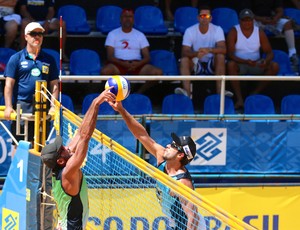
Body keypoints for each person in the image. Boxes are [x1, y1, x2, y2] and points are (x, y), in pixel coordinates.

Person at [109, 100, 202, 229]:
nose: (168, 145)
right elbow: (141, 135)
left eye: (174, 146)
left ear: (180, 155)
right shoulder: (162, 158)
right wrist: (121, 110)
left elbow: (193, 217)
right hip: (175, 222)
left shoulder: (182, 183)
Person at [41, 88, 115, 229]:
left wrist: (94, 102)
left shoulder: (61, 167)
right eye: (61, 149)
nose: (65, 147)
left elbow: (81, 132)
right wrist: (97, 103)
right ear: (60, 161)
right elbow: (86, 137)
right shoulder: (68, 171)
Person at [4, 22, 59, 155]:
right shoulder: (16, 58)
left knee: (40, 146)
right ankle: (19, 175)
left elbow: (54, 84)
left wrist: (53, 106)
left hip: (42, 106)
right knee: (19, 146)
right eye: (33, 34)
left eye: (40, 34)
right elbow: (8, 84)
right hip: (21, 106)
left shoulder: (49, 59)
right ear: (26, 37)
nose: (37, 37)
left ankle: (38, 176)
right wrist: (8, 106)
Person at [226, 8, 279, 110]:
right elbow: (230, 54)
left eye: (249, 20)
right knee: (230, 65)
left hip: (256, 63)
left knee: (274, 66)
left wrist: (266, 61)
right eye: (244, 20)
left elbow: (269, 53)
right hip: (240, 64)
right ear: (239, 20)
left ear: (253, 20)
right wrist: (245, 61)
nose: (247, 22)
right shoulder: (234, 31)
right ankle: (240, 99)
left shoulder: (259, 32)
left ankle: (254, 93)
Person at [100, 8, 163, 94]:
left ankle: (139, 93)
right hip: (119, 64)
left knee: (157, 73)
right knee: (105, 72)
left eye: (130, 16)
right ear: (121, 19)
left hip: (137, 64)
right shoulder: (113, 34)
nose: (127, 19)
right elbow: (110, 56)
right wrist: (123, 64)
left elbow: (147, 57)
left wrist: (137, 64)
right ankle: (117, 95)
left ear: (133, 19)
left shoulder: (140, 35)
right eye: (125, 16)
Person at [177, 5, 231, 98]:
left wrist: (209, 50)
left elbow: (223, 49)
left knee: (220, 56)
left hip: (212, 63)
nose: (204, 19)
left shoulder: (217, 29)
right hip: (196, 62)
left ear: (211, 18)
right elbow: (184, 52)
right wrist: (196, 54)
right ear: (198, 18)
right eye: (202, 16)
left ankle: (220, 93)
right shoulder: (190, 31)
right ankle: (186, 93)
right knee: (184, 60)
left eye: (207, 16)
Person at [250, 0, 299, 73]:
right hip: (257, 20)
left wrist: (276, 18)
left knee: (287, 23)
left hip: (271, 20)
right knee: (249, 23)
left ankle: (292, 53)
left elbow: (280, 10)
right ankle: (254, 54)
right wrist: (261, 19)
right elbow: (247, 12)